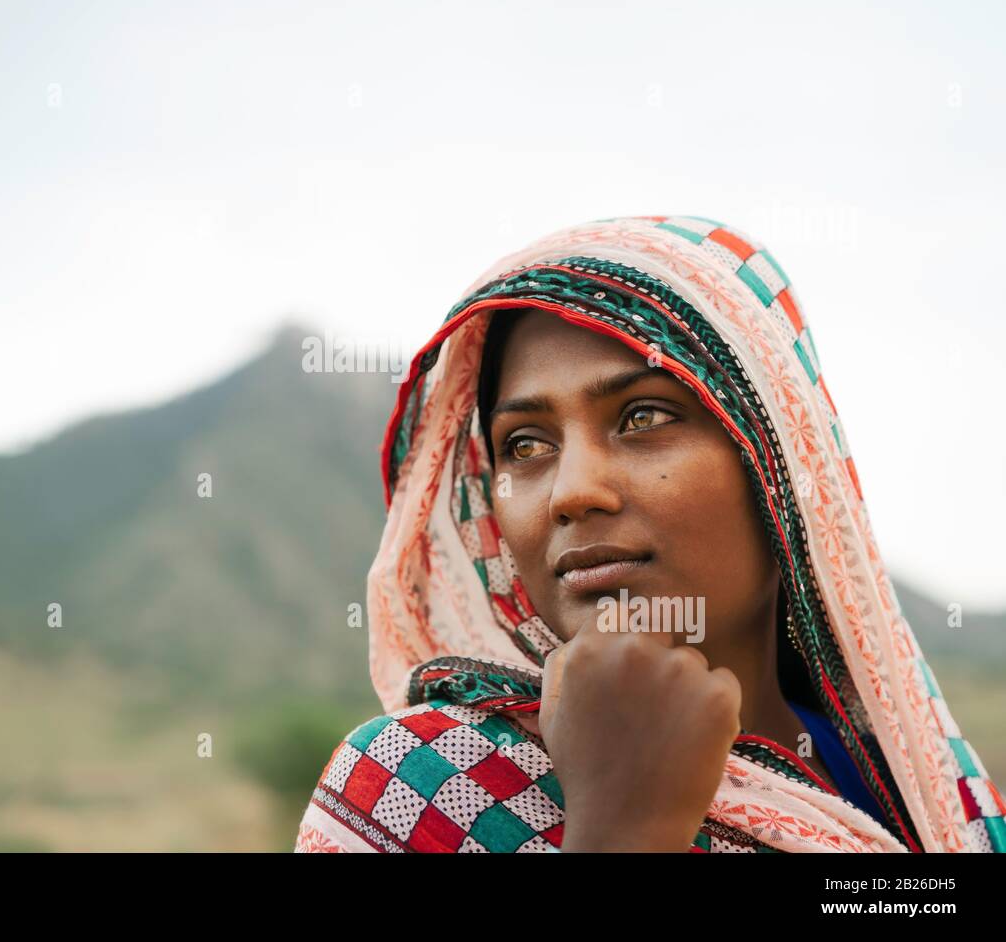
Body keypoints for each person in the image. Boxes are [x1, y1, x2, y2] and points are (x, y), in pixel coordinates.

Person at [293, 215, 1006, 853]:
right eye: (527, 444)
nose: (571, 491)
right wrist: (623, 830)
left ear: (779, 464)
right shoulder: (417, 791)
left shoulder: (927, 791)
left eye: (643, 417)